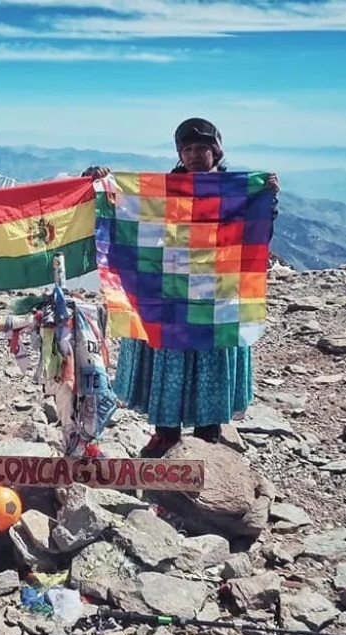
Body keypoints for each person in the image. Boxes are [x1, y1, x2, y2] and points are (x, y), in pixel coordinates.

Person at [85, 117, 279, 458]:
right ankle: (166, 434)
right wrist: (104, 184)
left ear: (216, 151)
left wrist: (266, 199)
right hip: (171, 290)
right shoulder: (164, 191)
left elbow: (253, 234)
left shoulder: (235, 192)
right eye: (186, 149)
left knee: (210, 359)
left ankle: (208, 436)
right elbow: (129, 216)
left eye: (201, 148)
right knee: (170, 360)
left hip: (217, 292)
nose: (193, 155)